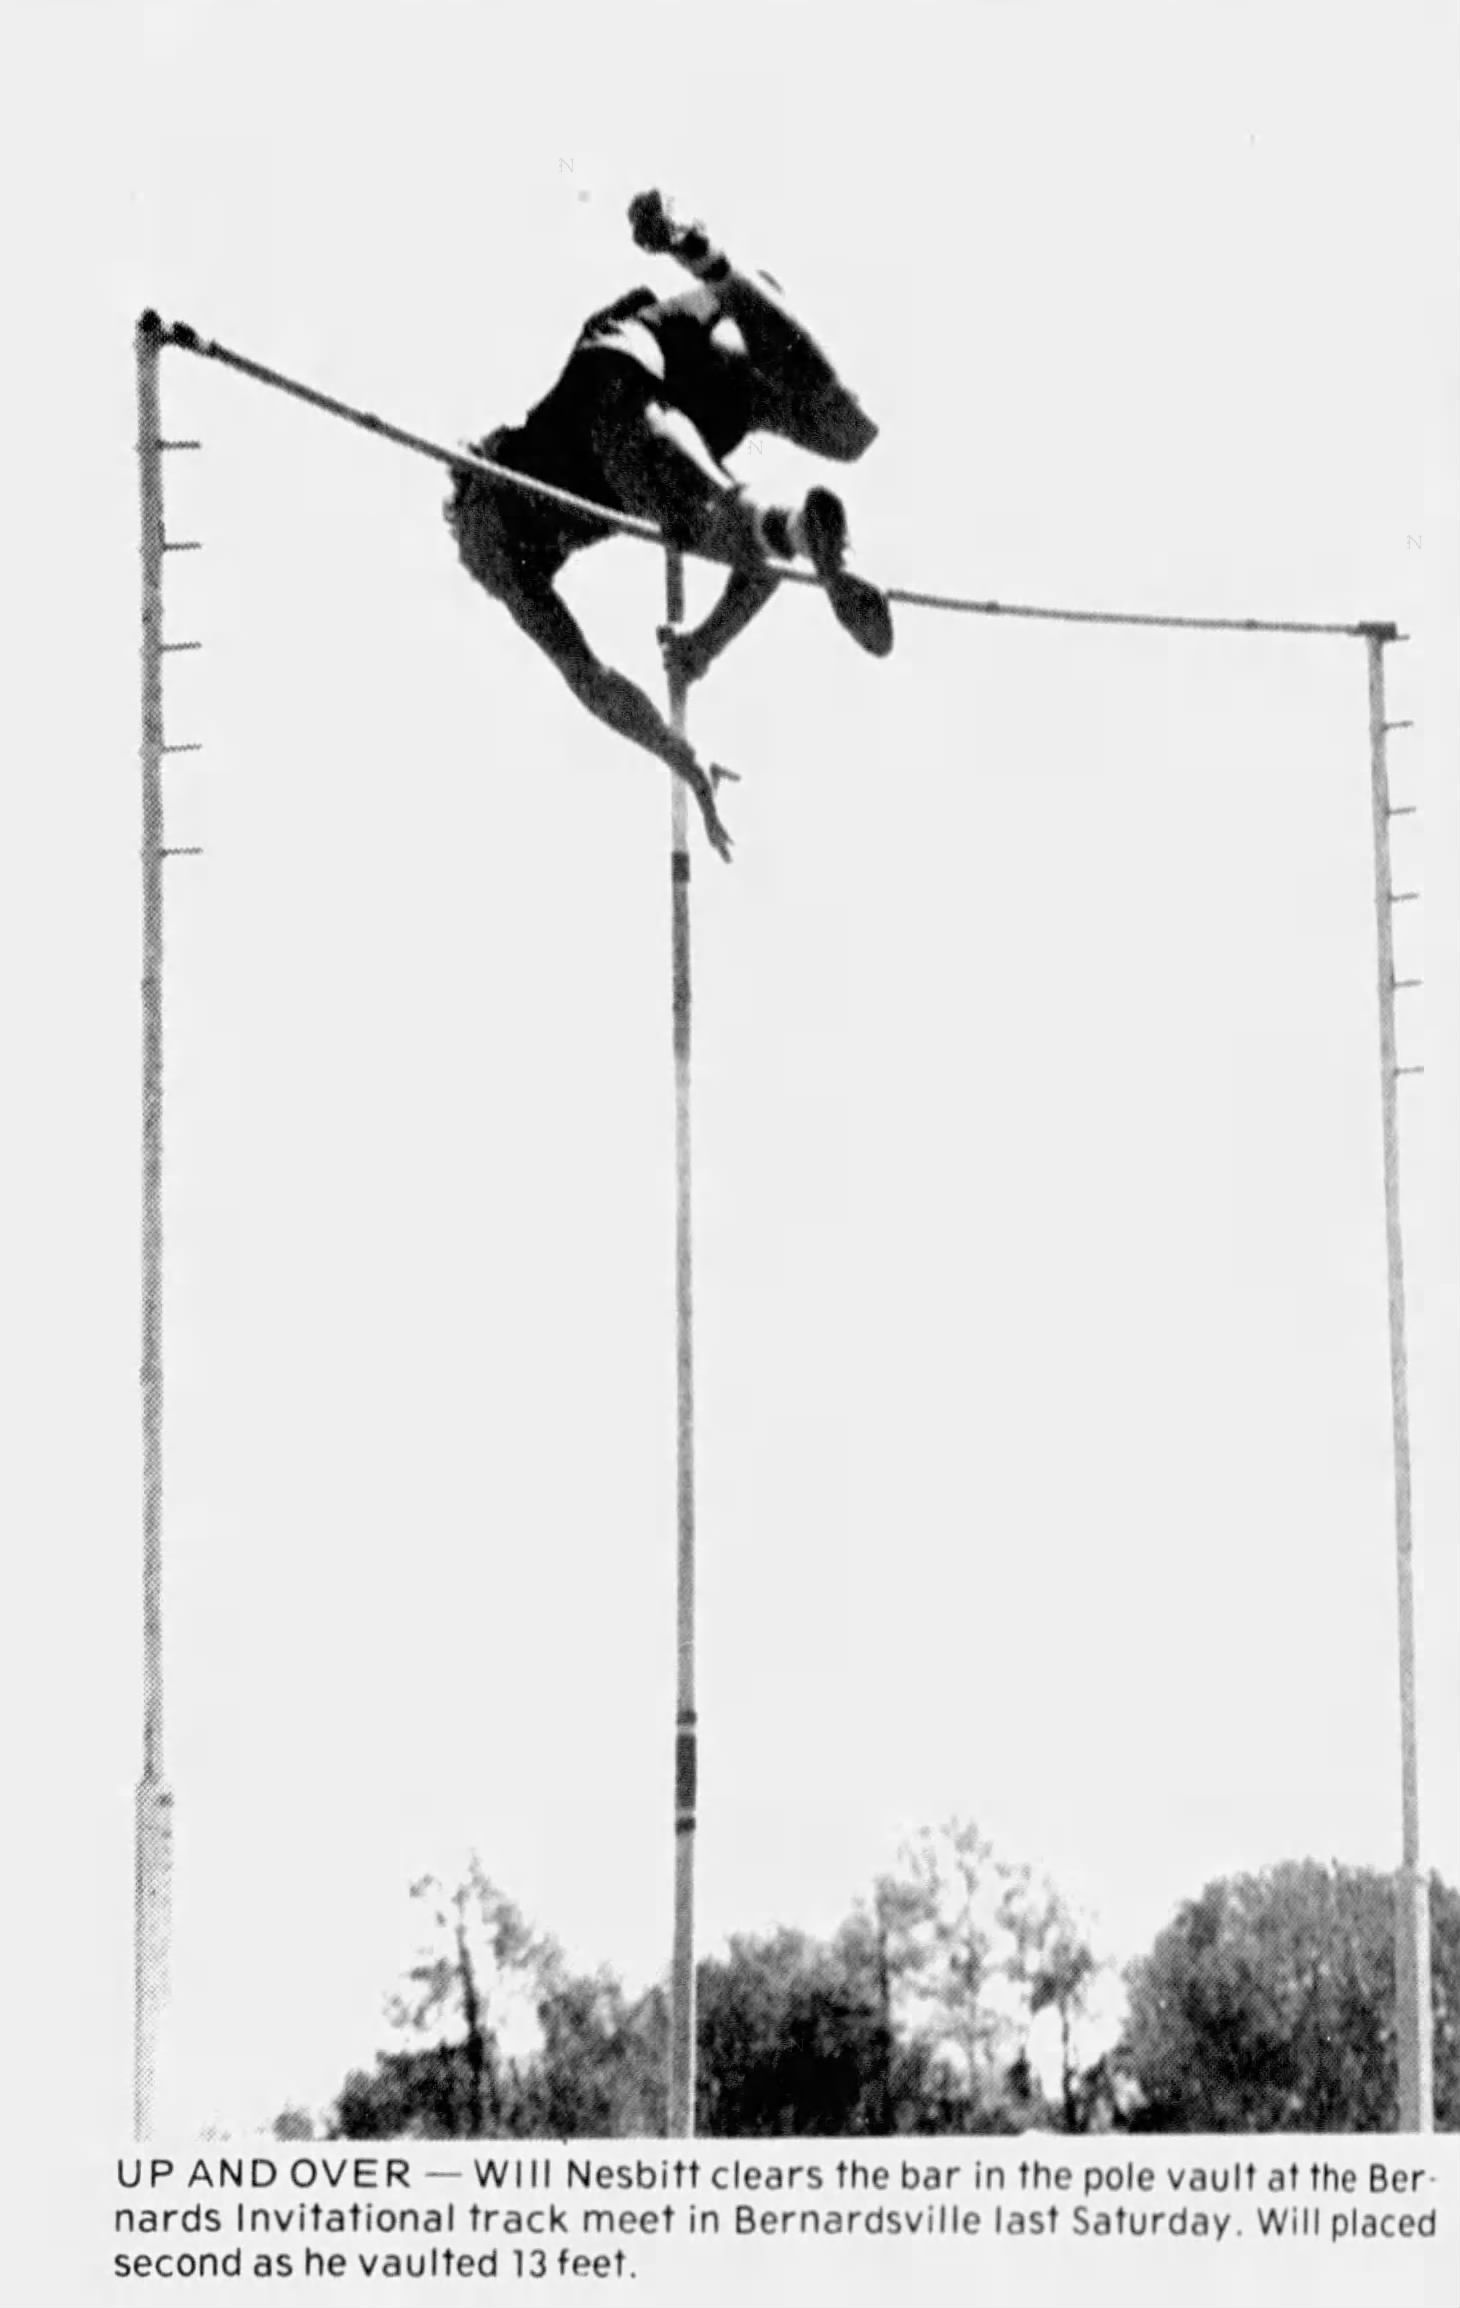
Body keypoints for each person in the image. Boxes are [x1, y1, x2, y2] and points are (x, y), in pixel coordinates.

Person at [446, 190, 893, 861]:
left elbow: (590, 679)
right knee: (841, 437)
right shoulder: (521, 517)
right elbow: (760, 571)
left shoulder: (495, 541)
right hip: (714, 355)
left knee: (702, 510)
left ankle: (797, 525)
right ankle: (707, 259)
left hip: (621, 390)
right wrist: (702, 647)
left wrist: (674, 752)